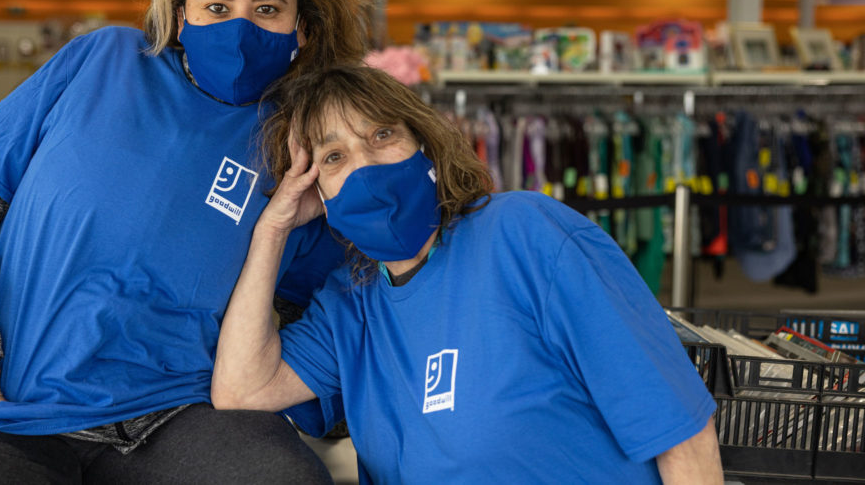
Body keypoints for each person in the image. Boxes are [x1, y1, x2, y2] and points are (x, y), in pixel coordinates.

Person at [0, 0, 368, 483]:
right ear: (180, 10)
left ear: (300, 25)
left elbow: (331, 293)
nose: (240, 29)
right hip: (4, 401)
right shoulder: (104, 61)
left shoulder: (295, 142)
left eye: (267, 10)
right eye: (217, 7)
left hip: (176, 411)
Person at [213, 65, 725, 484]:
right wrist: (272, 229)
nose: (365, 165)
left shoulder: (526, 234)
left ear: (425, 142)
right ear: (315, 194)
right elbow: (242, 390)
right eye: (333, 157)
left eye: (383, 134)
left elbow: (680, 432)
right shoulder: (352, 302)